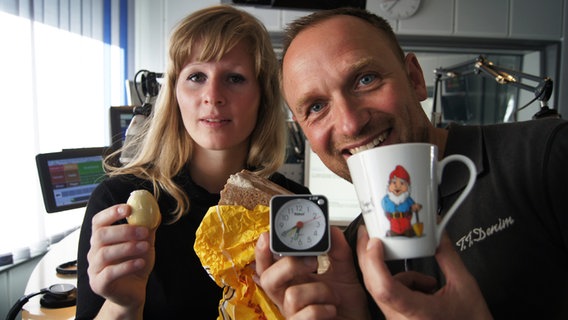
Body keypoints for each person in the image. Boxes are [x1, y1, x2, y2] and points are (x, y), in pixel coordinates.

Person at [255, 7, 568, 319]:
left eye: (365, 79)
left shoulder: (547, 154)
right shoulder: (347, 258)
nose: (350, 123)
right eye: (317, 106)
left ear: (415, 78)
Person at [75, 5, 309, 319]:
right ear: (174, 93)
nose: (212, 95)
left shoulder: (293, 206)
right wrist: (122, 305)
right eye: (196, 76)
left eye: (235, 78)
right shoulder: (119, 203)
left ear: (263, 95)